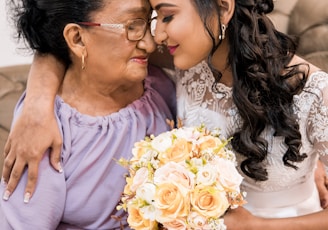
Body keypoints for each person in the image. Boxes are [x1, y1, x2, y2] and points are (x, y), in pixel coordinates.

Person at [2, 0, 328, 229]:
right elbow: (62, 37)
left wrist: (300, 164)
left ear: (224, 7)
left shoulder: (313, 91)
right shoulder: (185, 65)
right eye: (147, 21)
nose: (153, 38)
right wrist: (36, 105)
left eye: (164, 17)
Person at [0, 0, 175, 229]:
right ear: (77, 38)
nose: (150, 44)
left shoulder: (157, 85)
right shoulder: (44, 128)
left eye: (148, 21)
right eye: (132, 26)